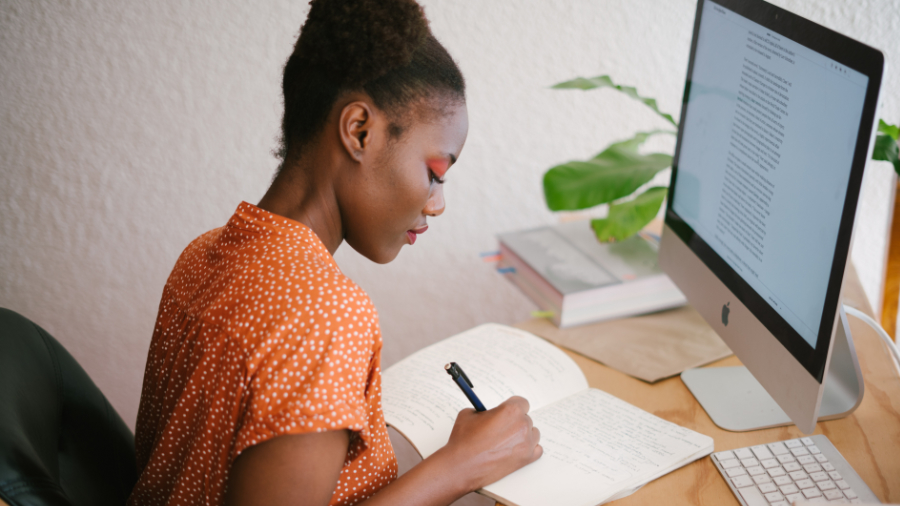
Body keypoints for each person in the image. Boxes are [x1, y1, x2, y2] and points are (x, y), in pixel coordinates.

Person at [128, 1, 542, 505]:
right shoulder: (326, 315)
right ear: (358, 131)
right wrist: (459, 468)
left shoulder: (205, 253)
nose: (437, 204)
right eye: (434, 173)